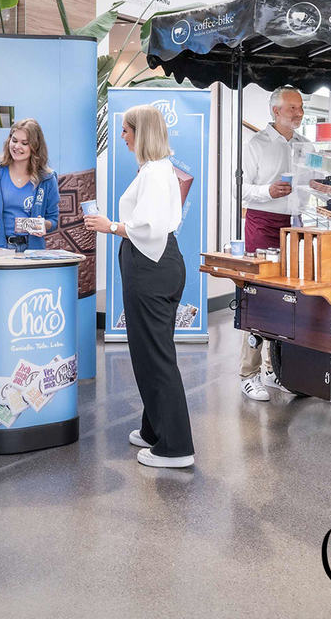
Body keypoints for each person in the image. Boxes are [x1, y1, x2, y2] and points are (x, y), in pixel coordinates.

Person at [85, 105, 194, 468]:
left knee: (155, 358)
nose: (122, 136)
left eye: (126, 130)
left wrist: (110, 225)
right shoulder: (157, 170)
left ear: (140, 131)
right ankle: (154, 430)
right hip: (156, 264)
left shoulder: (154, 173)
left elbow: (148, 225)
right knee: (150, 353)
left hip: (151, 267)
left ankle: (176, 447)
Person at [239, 85, 308, 401]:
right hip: (262, 226)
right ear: (275, 111)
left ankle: (276, 371)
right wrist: (268, 192)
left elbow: (310, 188)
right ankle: (248, 374)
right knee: (259, 298)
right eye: (292, 107)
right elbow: (239, 191)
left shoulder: (307, 146)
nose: (298, 113)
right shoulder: (257, 144)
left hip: (296, 227)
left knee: (290, 299)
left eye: (300, 107)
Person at [0, 119, 60, 252]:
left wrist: (43, 224)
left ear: (35, 146)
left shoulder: (47, 179)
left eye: (24, 143)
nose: (17, 146)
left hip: (32, 252)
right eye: (14, 140)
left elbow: (53, 221)